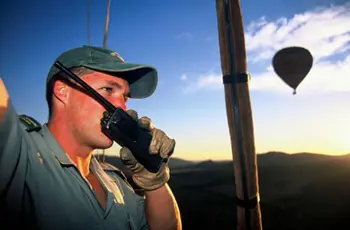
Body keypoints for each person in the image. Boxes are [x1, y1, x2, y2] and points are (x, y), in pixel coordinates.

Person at [0, 45, 182, 230]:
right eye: (108, 89)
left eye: (125, 98)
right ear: (63, 91)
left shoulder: (115, 182)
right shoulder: (20, 156)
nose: (122, 108)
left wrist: (154, 180)